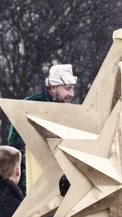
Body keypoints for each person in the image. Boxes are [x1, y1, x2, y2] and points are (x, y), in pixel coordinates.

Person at [8, 64, 77, 194]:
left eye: (72, 89)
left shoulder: (70, 110)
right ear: (52, 88)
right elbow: (15, 145)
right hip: (33, 182)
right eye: (67, 89)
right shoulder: (29, 105)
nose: (71, 94)